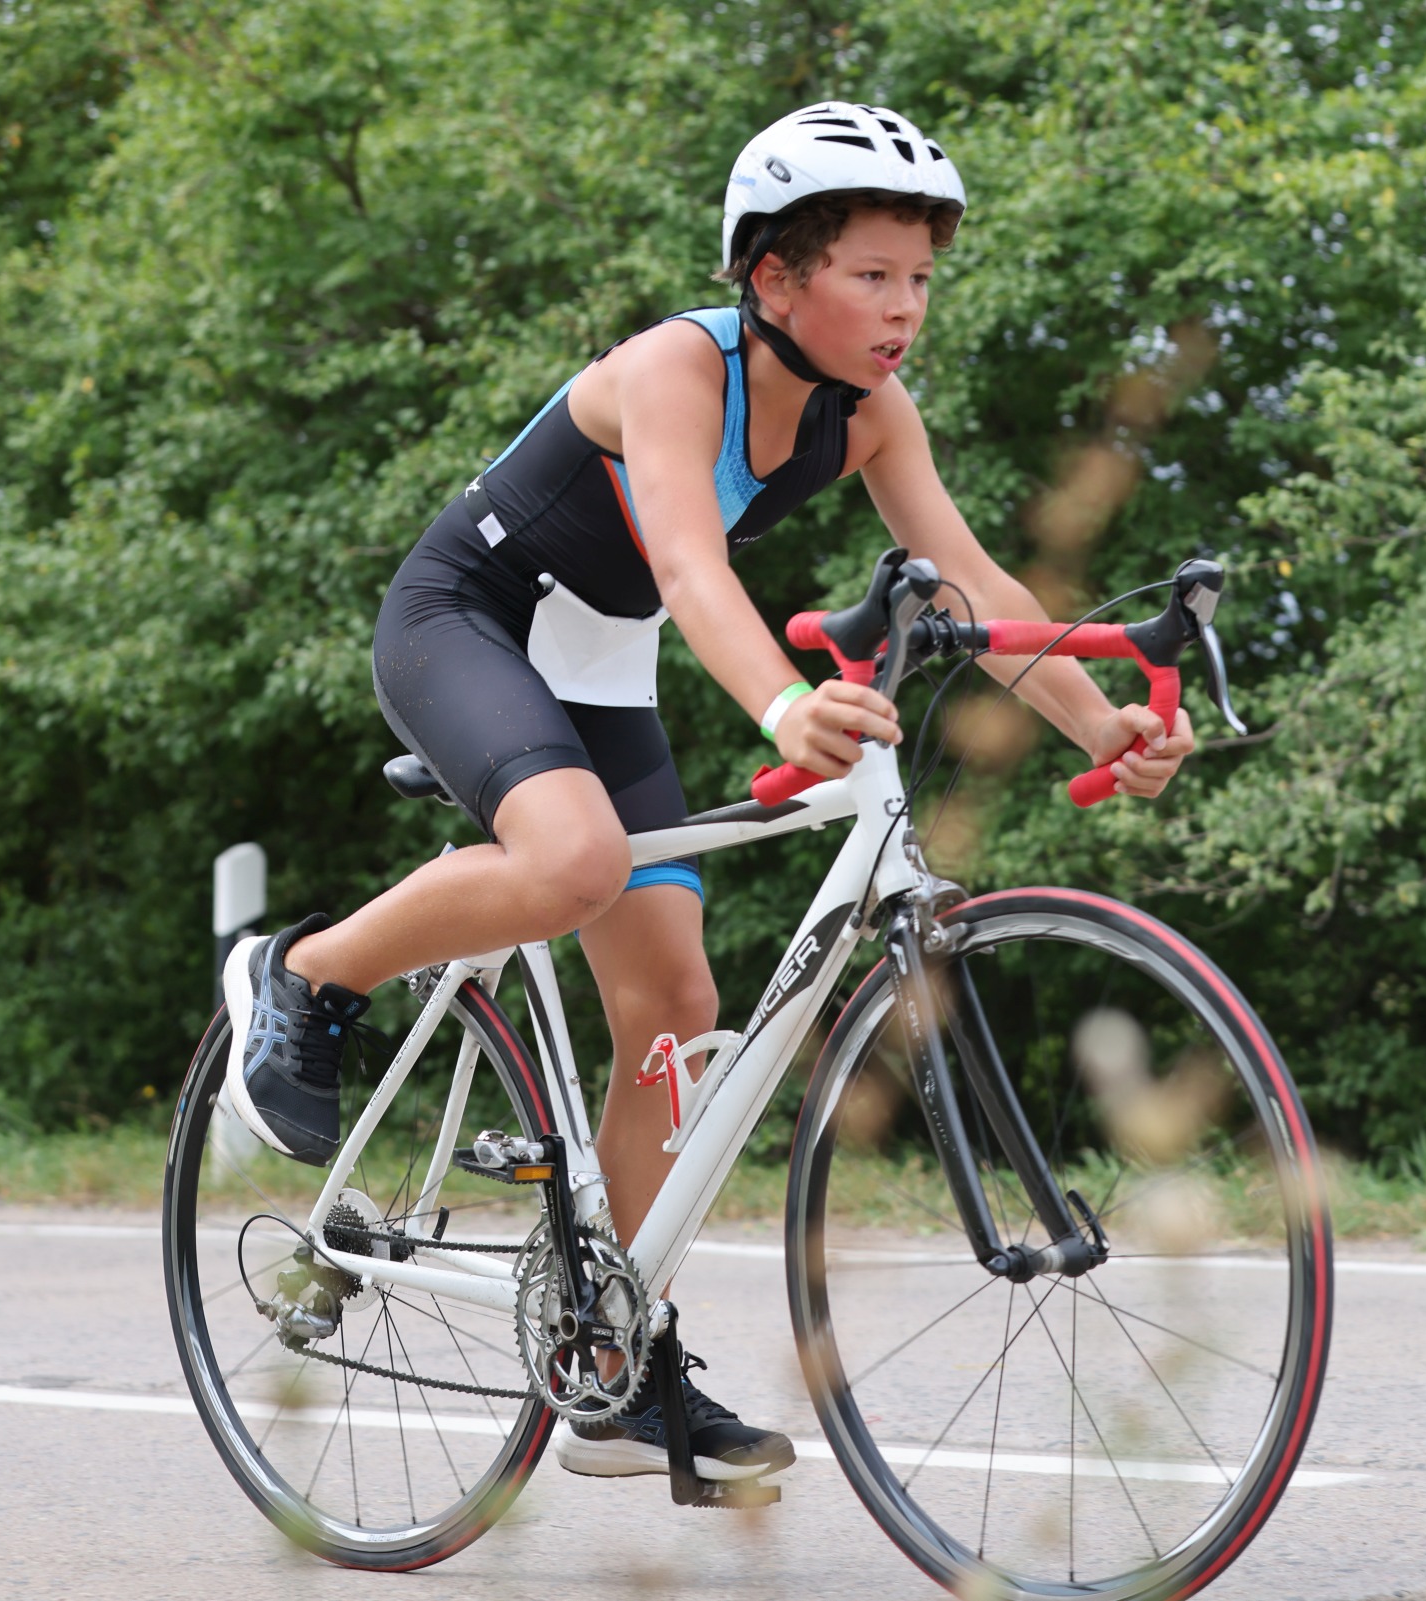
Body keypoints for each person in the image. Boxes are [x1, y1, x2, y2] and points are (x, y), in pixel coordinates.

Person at [217, 102, 1197, 1484]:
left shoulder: (870, 414)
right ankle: (304, 974)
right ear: (773, 277)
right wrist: (787, 706)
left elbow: (973, 583)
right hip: (467, 621)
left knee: (674, 1004)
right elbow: (690, 569)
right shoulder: (678, 366)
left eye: (921, 276)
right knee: (576, 860)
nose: (905, 306)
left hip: (598, 667)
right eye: (872, 273)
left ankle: (612, 1363)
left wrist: (1103, 722)